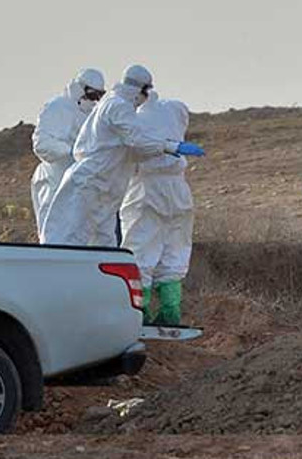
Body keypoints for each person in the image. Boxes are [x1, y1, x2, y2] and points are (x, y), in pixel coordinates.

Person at [41, 65, 205, 246]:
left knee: (103, 241)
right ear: (139, 90)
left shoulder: (114, 104)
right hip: (90, 182)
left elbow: (131, 148)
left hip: (105, 185)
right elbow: (137, 140)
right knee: (69, 235)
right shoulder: (118, 106)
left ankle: (98, 266)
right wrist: (171, 146)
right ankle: (55, 265)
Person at [120, 92, 194, 325]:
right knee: (175, 246)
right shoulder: (174, 111)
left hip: (146, 189)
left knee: (140, 248)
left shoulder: (138, 119)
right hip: (178, 189)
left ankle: (138, 311)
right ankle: (170, 310)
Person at [30, 69, 106, 237]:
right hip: (54, 182)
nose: (95, 100)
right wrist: (72, 151)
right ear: (80, 89)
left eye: (99, 96)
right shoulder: (57, 107)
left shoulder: (92, 114)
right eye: (92, 95)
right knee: (54, 235)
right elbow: (42, 144)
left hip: (80, 184)